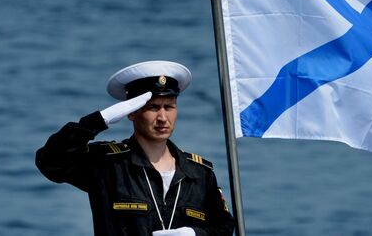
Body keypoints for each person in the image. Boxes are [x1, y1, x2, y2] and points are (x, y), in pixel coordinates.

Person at [36, 61, 235, 236]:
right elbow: (51, 162)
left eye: (169, 107)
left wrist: (195, 234)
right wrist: (99, 120)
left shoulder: (199, 173)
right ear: (131, 112)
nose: (163, 118)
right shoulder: (108, 164)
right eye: (153, 107)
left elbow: (225, 227)